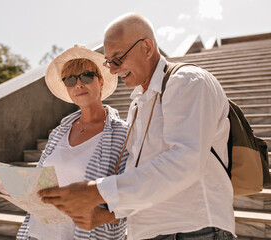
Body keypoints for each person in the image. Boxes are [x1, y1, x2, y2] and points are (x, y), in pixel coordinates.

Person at [38, 13, 235, 240]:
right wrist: (104, 216)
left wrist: (96, 191)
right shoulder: (138, 103)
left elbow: (185, 161)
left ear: (147, 48)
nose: (112, 70)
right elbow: (139, 175)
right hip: (148, 231)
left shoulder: (187, 81)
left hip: (194, 230)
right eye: (109, 62)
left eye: (117, 59)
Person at [14, 45, 129, 240]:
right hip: (39, 234)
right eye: (70, 79)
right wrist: (8, 187)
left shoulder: (123, 134)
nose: (78, 84)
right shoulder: (59, 132)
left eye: (86, 76)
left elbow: (137, 194)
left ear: (100, 81)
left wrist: (105, 216)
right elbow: (39, 184)